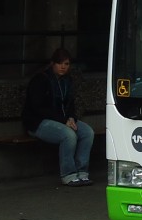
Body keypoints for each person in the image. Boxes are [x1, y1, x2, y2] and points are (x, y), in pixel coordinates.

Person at [22, 47, 95, 186]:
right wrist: (63, 121)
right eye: (59, 63)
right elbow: (38, 108)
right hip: (38, 122)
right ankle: (68, 174)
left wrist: (72, 118)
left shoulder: (67, 81)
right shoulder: (41, 79)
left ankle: (82, 172)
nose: (63, 67)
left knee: (87, 132)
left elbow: (71, 104)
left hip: (63, 120)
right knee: (69, 135)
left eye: (66, 64)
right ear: (52, 63)